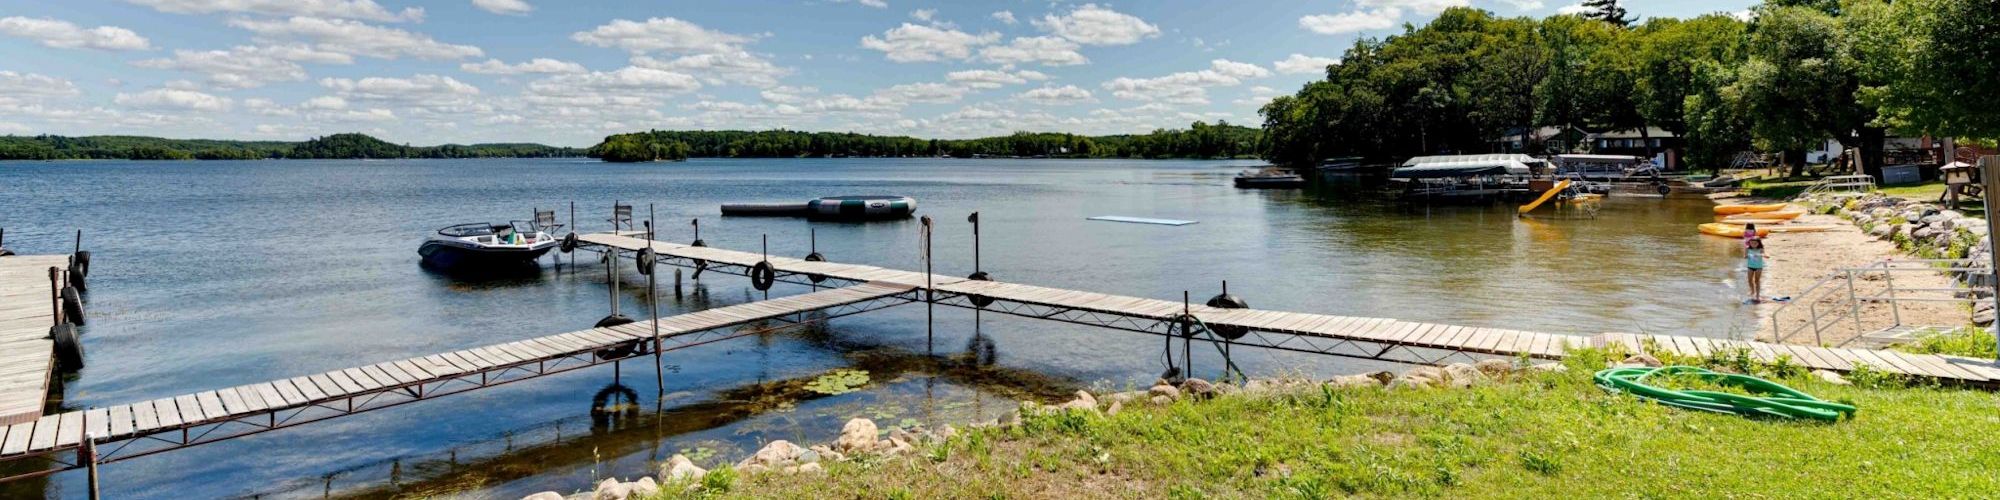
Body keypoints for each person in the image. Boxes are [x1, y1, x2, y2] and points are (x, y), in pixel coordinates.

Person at [1746, 238, 1769, 302]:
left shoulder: (1760, 249)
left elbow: (1764, 254)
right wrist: (1748, 256)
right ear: (1750, 243)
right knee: (1750, 280)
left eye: (1755, 243)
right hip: (1750, 266)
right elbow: (1745, 256)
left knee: (1757, 280)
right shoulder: (1748, 248)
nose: (1753, 244)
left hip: (1759, 267)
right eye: (1752, 243)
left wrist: (1765, 256)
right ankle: (1752, 291)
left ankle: (1758, 295)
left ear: (1758, 243)